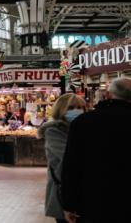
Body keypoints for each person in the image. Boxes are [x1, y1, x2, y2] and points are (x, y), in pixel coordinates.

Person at [61, 77, 131, 223]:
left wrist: (69, 203)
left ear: (107, 95)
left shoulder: (83, 122)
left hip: (94, 200)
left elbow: (72, 166)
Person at [36, 93, 86, 223]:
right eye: (71, 107)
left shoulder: (84, 128)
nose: (77, 111)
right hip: (64, 193)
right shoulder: (54, 131)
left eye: (81, 107)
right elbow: (70, 160)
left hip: (85, 191)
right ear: (61, 109)